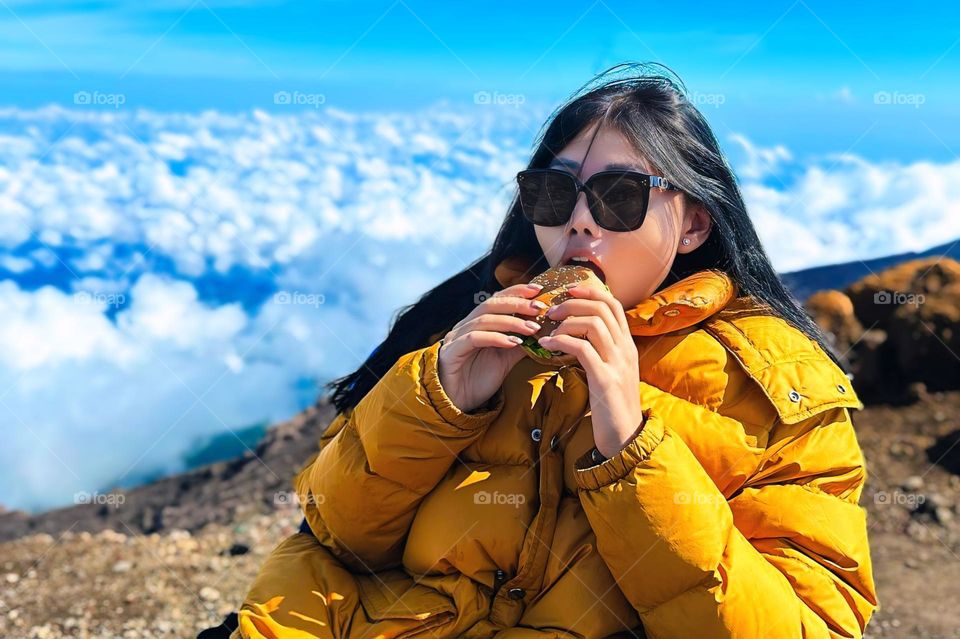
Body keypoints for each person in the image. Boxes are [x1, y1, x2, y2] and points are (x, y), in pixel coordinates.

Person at [209, 62, 879, 638]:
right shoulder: (463, 328)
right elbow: (338, 540)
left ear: (695, 223)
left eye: (620, 196)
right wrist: (439, 400)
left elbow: (808, 623)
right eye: (554, 192)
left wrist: (632, 446)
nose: (579, 220)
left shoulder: (782, 392)